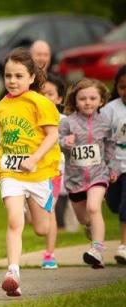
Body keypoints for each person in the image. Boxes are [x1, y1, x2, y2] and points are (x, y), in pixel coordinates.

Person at [0, 48, 61, 297]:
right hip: (12, 174)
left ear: (32, 77)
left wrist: (34, 159)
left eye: (19, 76)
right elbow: (4, 139)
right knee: (14, 220)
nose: (12, 81)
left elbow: (53, 135)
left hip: (39, 173)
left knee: (42, 229)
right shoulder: (1, 106)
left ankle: (33, 205)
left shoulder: (40, 102)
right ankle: (13, 272)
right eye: (8, 76)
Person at [60, 78, 116, 268]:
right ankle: (91, 229)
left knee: (94, 208)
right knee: (85, 218)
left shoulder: (105, 123)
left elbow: (110, 145)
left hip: (97, 175)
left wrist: (113, 167)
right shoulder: (68, 123)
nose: (88, 102)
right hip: (74, 179)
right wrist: (64, 142)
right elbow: (56, 142)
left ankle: (97, 250)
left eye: (93, 98)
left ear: (101, 101)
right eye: (83, 98)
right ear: (75, 100)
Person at [38, 73, 68, 269]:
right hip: (29, 171)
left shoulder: (64, 121)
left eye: (50, 94)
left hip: (54, 171)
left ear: (59, 98)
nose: (45, 97)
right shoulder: (30, 117)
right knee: (36, 219)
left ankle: (49, 254)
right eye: (42, 93)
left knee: (49, 211)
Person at [102, 65, 126, 264]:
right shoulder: (111, 109)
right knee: (113, 204)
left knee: (125, 207)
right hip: (114, 167)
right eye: (122, 87)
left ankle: (123, 246)